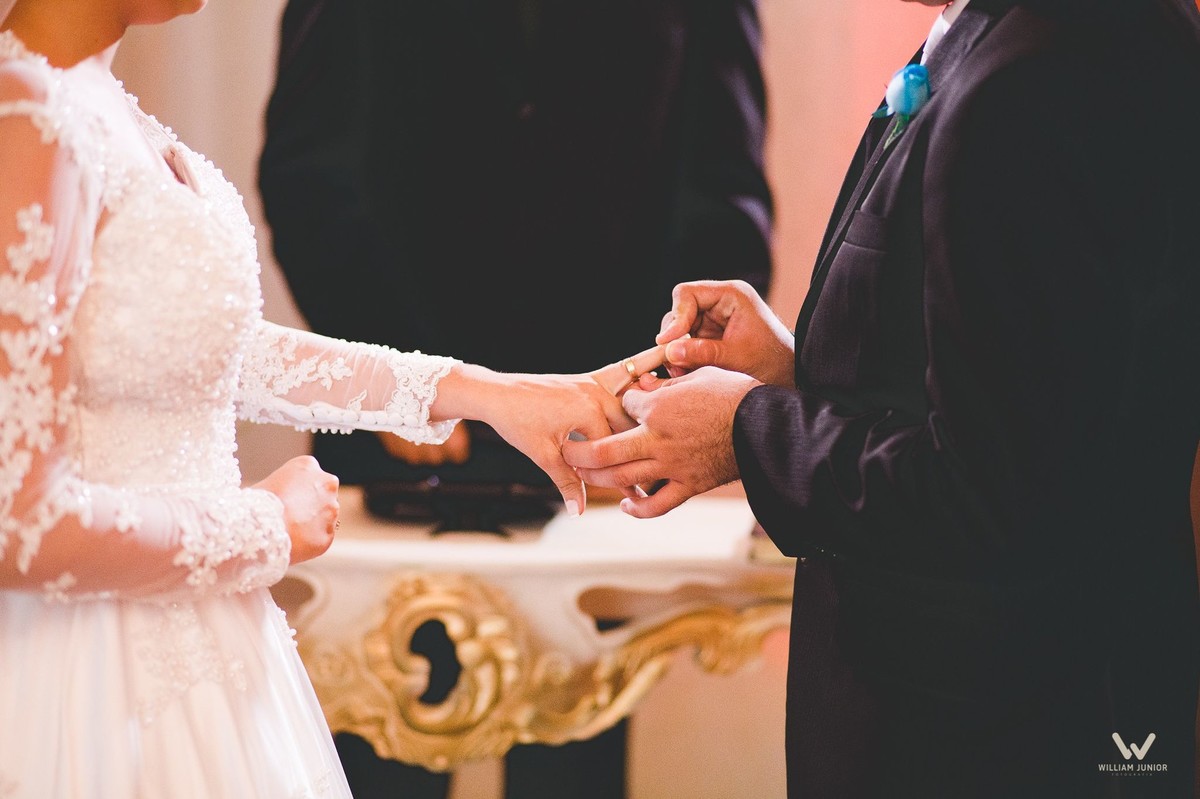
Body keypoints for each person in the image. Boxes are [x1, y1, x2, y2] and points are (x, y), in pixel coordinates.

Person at [0, 0, 666, 795]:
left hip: (203, 648)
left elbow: (209, 350)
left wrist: (488, 394)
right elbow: (19, 523)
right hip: (93, 679)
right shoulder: (29, 116)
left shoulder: (91, 103)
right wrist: (266, 524)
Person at [564, 0, 1200, 796]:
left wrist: (748, 429)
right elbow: (1022, 394)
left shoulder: (1044, 73)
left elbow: (990, 491)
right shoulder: (1022, 33)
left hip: (988, 738)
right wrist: (798, 373)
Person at [257, 0, 773, 796]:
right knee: (384, 753)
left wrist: (654, 384)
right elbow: (306, 171)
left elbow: (723, 194)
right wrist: (402, 383)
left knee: (574, 762)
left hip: (603, 445)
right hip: (397, 441)